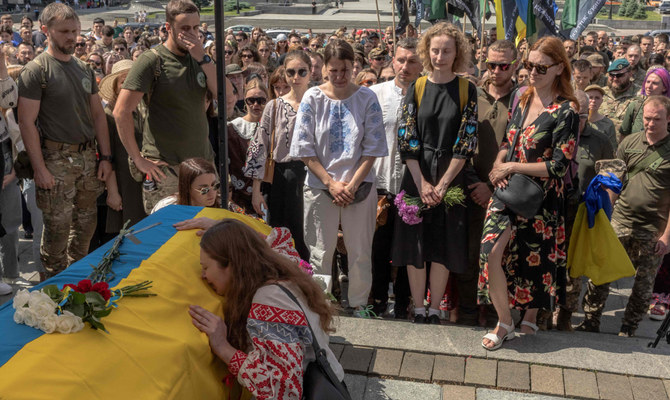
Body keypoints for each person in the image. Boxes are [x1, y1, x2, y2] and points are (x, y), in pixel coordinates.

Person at [478, 36, 578, 349]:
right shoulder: (522, 98)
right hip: (506, 192)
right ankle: (505, 320)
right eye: (529, 65)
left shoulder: (567, 112)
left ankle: (527, 317)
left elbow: (559, 165)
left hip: (540, 201)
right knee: (490, 252)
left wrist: (513, 168)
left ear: (559, 67)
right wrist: (498, 163)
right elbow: (508, 142)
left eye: (541, 67)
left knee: (530, 264)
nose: (532, 72)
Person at [187, 219, 345, 399]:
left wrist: (223, 348)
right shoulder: (281, 267)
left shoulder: (268, 302)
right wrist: (226, 232)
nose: (203, 275)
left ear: (231, 263)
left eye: (206, 267)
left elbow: (284, 391)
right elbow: (279, 241)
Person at [289, 39, 388, 316]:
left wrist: (352, 184)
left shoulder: (367, 98)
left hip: (360, 186)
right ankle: (320, 305)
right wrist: (331, 183)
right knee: (320, 251)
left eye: (344, 70)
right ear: (323, 70)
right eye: (333, 71)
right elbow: (304, 150)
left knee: (360, 251)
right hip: (321, 186)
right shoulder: (312, 98)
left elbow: (373, 148)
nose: (339, 77)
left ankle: (359, 304)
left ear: (353, 67)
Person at [392, 22, 478, 324]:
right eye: (435, 50)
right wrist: (422, 182)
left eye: (447, 50)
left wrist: (441, 185)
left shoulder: (468, 88)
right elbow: (406, 136)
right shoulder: (417, 86)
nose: (440, 56)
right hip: (417, 175)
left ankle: (435, 307)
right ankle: (418, 308)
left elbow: (466, 142)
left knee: (444, 243)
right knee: (415, 242)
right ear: (427, 52)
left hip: (450, 177)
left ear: (457, 53)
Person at [18, 3, 112, 278]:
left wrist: (105, 158)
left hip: (87, 160)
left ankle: (79, 288)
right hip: (55, 161)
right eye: (64, 31)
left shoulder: (83, 68)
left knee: (84, 232)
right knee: (56, 237)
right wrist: (39, 168)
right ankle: (52, 295)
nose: (72, 37)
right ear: (45, 30)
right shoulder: (37, 71)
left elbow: (98, 116)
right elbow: (26, 123)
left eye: (75, 30)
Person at [577, 95, 670, 337]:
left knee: (643, 285)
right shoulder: (629, 143)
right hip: (620, 219)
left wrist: (667, 236)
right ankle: (591, 319)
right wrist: (604, 218)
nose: (650, 124)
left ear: (668, 119)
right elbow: (613, 182)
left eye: (656, 119)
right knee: (601, 271)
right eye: (647, 119)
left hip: (653, 228)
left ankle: (629, 327)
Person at [114, 0, 217, 215]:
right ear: (168, 28)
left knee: (202, 235)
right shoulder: (152, 60)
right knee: (166, 235)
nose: (192, 34)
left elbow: (226, 98)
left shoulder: (201, 60)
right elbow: (121, 112)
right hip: (167, 170)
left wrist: (203, 58)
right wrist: (138, 159)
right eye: (185, 28)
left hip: (202, 166)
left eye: (196, 28)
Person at [368, 37, 423, 318]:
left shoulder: (427, 93)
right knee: (378, 249)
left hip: (414, 186)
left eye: (412, 61)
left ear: (421, 63)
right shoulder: (374, 94)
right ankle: (377, 300)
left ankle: (403, 303)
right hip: (380, 185)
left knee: (408, 250)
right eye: (401, 60)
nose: (405, 66)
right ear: (393, 61)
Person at [466, 40, 519, 327]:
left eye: (503, 65)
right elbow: (461, 142)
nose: (496, 71)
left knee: (500, 257)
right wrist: (477, 184)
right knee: (472, 252)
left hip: (506, 191)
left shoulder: (524, 99)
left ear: (516, 64)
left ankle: (501, 314)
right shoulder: (472, 95)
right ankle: (471, 310)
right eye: (491, 65)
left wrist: (492, 186)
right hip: (470, 187)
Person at [553, 90, 615, 331]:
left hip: (581, 212)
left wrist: (604, 209)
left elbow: (611, 177)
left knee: (573, 267)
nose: (575, 121)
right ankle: (542, 314)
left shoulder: (600, 141)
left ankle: (566, 315)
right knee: (551, 261)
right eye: (571, 115)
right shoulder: (555, 134)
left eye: (580, 116)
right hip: (553, 209)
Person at [244, 51, 311, 260]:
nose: (296, 77)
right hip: (282, 177)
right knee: (282, 237)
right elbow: (259, 146)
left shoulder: (320, 103)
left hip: (315, 177)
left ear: (311, 72)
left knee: (311, 238)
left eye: (302, 71)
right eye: (291, 72)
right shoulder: (274, 106)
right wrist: (256, 191)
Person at [97, 59, 147, 232]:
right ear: (116, 86)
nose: (128, 85)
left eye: (132, 79)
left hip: (147, 184)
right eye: (123, 80)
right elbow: (107, 155)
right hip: (124, 185)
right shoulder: (109, 115)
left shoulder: (145, 111)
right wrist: (112, 191)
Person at [229, 78, 268, 213]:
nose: (256, 104)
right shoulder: (232, 128)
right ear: (245, 101)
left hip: (270, 191)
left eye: (261, 100)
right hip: (239, 195)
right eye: (251, 100)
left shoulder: (273, 126)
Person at [619, 68, 670, 140]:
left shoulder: (668, 108)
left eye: (655, 83)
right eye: (648, 82)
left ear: (664, 87)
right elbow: (623, 135)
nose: (649, 86)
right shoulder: (635, 106)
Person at [152, 158, 219, 212]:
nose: (212, 194)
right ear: (187, 188)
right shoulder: (166, 208)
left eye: (215, 186)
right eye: (204, 190)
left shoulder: (222, 207)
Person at [600, 59, 641, 135]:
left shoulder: (640, 95)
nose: (615, 79)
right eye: (611, 75)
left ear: (630, 74)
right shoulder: (600, 93)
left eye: (619, 75)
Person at [584, 84, 617, 150]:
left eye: (597, 98)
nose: (593, 101)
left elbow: (612, 149)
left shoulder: (608, 124)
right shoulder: (577, 120)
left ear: (602, 101)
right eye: (590, 97)